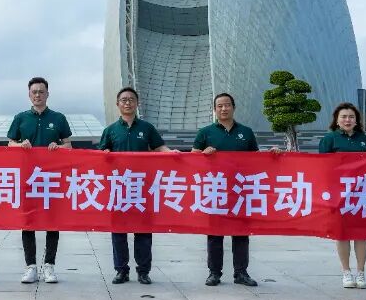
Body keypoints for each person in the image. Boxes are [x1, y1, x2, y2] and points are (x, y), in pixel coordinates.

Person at [99, 86, 175, 285]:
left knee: (143, 230)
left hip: (142, 186)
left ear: (137, 103)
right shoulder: (110, 130)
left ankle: (143, 271)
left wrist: (171, 153)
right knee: (118, 231)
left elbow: (159, 147)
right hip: (119, 187)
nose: (128, 103)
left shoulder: (147, 128)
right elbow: (101, 154)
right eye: (124, 100)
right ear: (117, 104)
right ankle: (121, 270)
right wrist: (104, 154)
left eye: (131, 99)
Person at [7, 76, 73, 285]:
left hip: (52, 179)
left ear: (47, 94)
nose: (38, 95)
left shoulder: (58, 118)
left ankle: (49, 266)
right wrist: (20, 145)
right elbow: (10, 144)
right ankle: (31, 267)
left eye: (41, 91)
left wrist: (58, 147)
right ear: (29, 94)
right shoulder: (20, 118)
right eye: (34, 92)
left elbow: (68, 146)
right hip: (28, 178)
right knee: (28, 222)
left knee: (53, 222)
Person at [192, 92, 259, 287]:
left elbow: (257, 159)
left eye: (227, 105)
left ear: (233, 107)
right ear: (215, 109)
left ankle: (241, 273)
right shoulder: (205, 132)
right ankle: (214, 273)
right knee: (214, 233)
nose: (224, 108)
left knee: (241, 233)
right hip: (216, 190)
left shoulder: (246, 132)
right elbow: (192, 159)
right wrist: (203, 154)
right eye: (219, 106)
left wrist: (273, 155)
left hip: (240, 190)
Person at [318, 102, 366, 289]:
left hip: (360, 193)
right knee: (341, 233)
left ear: (356, 120)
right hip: (338, 193)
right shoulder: (329, 139)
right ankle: (346, 272)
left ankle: (361, 272)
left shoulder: (364, 140)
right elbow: (322, 166)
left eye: (351, 117)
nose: (347, 120)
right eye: (343, 117)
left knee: (361, 233)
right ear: (337, 120)